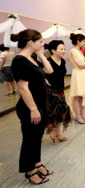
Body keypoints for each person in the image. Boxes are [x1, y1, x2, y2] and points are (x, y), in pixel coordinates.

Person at [10, 29, 54, 185]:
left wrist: (41, 54)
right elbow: (22, 87)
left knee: (37, 138)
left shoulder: (32, 58)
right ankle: (30, 171)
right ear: (31, 42)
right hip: (30, 107)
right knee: (29, 139)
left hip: (40, 105)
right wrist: (34, 109)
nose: (42, 44)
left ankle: (37, 163)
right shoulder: (20, 60)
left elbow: (49, 70)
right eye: (40, 41)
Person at [44, 40, 71, 142]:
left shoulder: (62, 61)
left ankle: (58, 134)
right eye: (61, 49)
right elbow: (41, 73)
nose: (64, 51)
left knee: (61, 112)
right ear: (53, 50)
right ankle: (53, 133)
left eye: (64, 49)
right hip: (51, 92)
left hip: (60, 90)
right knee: (53, 113)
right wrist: (44, 79)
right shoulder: (48, 61)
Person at [69, 33, 85, 124]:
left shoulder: (79, 51)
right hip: (78, 74)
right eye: (83, 41)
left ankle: (82, 114)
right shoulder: (73, 51)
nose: (84, 43)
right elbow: (81, 65)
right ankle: (78, 116)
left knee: (82, 96)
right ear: (78, 41)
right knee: (77, 96)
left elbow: (84, 65)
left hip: (83, 74)